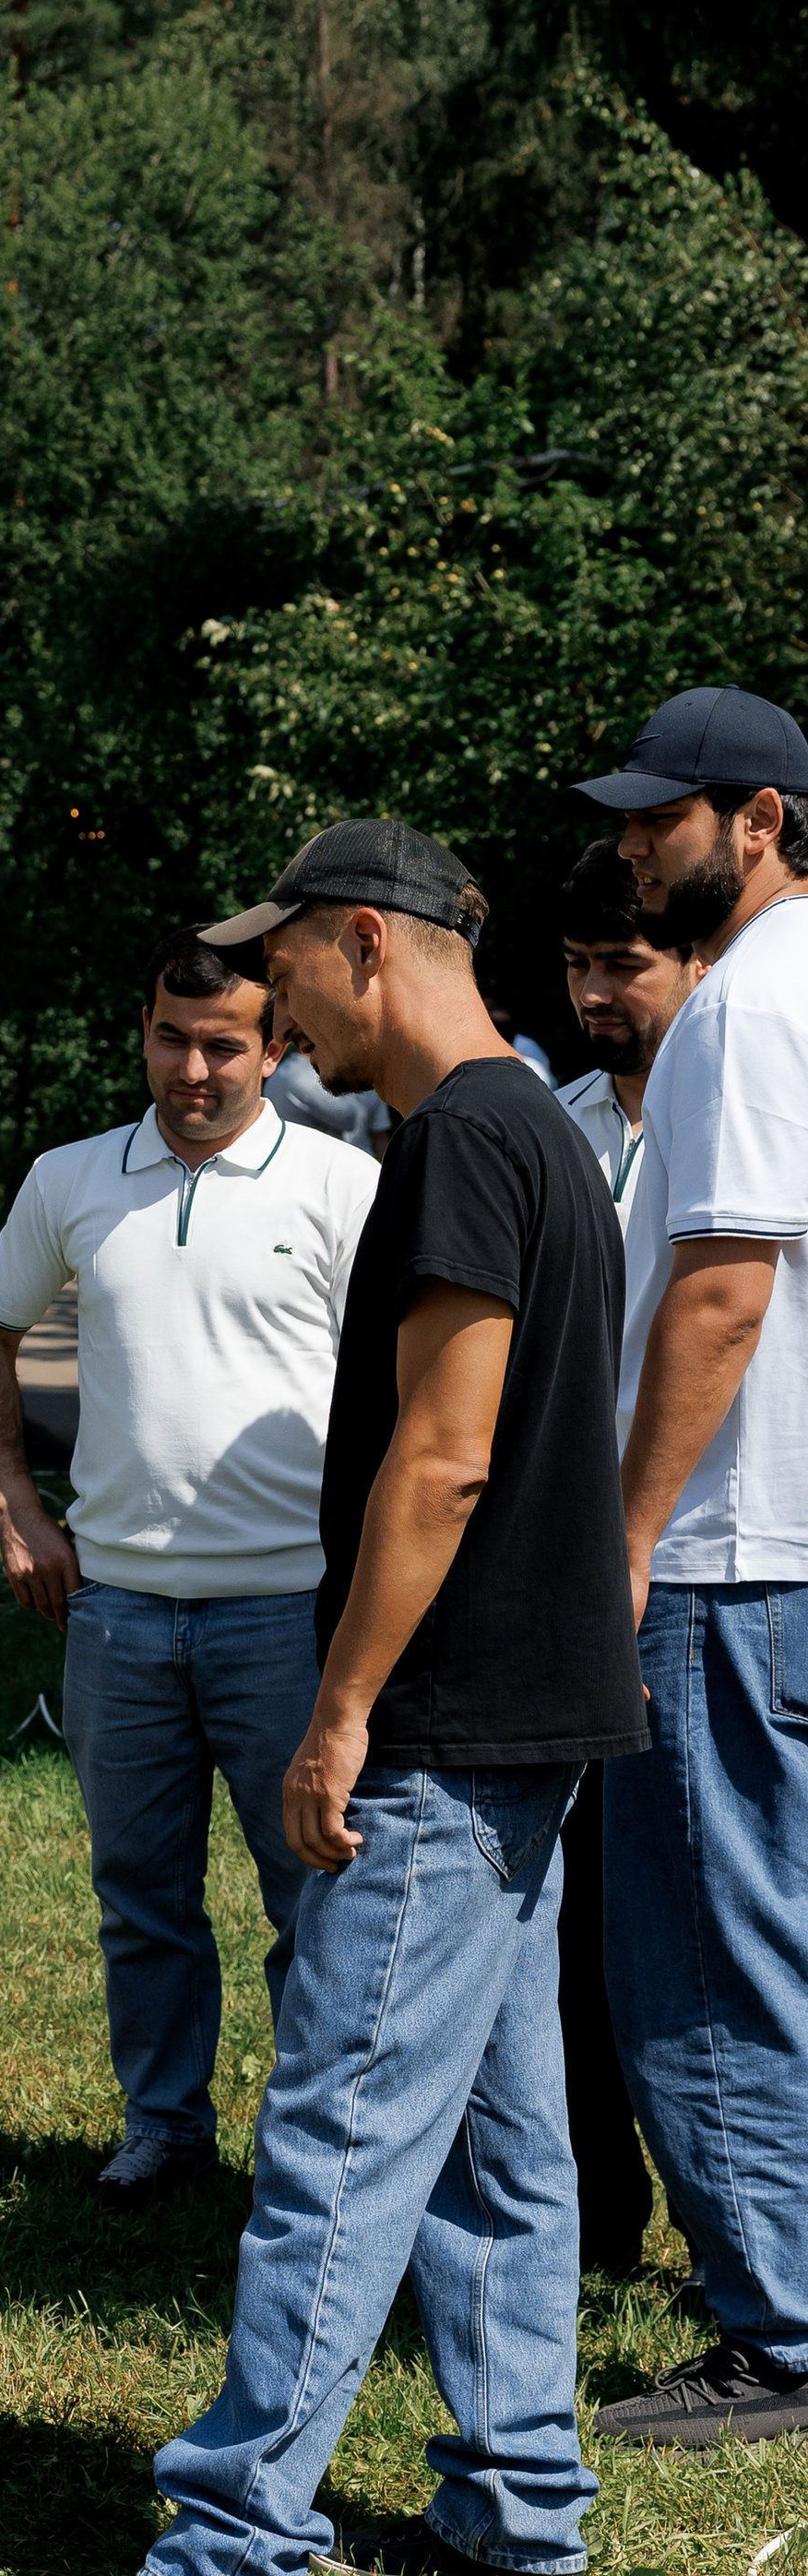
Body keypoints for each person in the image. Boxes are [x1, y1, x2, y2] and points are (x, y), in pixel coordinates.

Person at [0, 819, 642, 2576]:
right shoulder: (540, 1129)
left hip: (440, 1730)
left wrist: (340, 1706)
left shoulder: (448, 1144)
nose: (264, 1006)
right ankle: (516, 2505)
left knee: (337, 2132)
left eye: (278, 967)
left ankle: (226, 2568)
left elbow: (439, 1460)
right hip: (534, 1722)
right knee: (500, 2141)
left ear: (364, 943)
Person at [0, 931, 378, 2211]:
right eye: (169, 1039)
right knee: (140, 1896)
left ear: (280, 1044)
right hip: (118, 1611)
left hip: (290, 1612)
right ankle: (165, 2127)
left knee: (318, 1906)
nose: (192, 1069)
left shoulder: (342, 1185)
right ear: (140, 1030)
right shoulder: (76, 1178)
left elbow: (409, 1392)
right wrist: (16, 1505)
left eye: (224, 1044)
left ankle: (320, 2155)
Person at [574, 687, 808, 2447]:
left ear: (759, 819)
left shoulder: (743, 1006)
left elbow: (722, 1290)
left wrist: (630, 1540)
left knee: (708, 1953)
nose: (639, 848)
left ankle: (779, 2337)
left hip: (733, 1551)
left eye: (665, 820)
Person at [549, 835, 702, 2274]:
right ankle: (597, 2219)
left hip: (717, 1562)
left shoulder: (744, 1110)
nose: (599, 991)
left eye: (626, 964)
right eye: (581, 966)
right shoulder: (554, 1125)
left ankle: (746, 2233)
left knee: (715, 1911)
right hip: (572, 1569)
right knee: (579, 1916)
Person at [266, 1043, 389, 1156]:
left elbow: (380, 1135)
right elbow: (349, 1119)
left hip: (359, 1168)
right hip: (328, 1169)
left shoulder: (282, 1073)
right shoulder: (299, 1077)